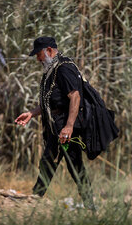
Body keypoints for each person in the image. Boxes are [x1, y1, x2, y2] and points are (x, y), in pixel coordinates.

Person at [15, 37, 95, 209]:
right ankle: (35, 198)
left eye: (39, 54)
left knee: (74, 164)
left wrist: (69, 126)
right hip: (55, 125)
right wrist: (32, 113)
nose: (37, 59)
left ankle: (89, 205)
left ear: (49, 50)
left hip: (65, 128)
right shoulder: (52, 69)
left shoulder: (64, 68)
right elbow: (51, 100)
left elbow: (75, 96)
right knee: (48, 160)